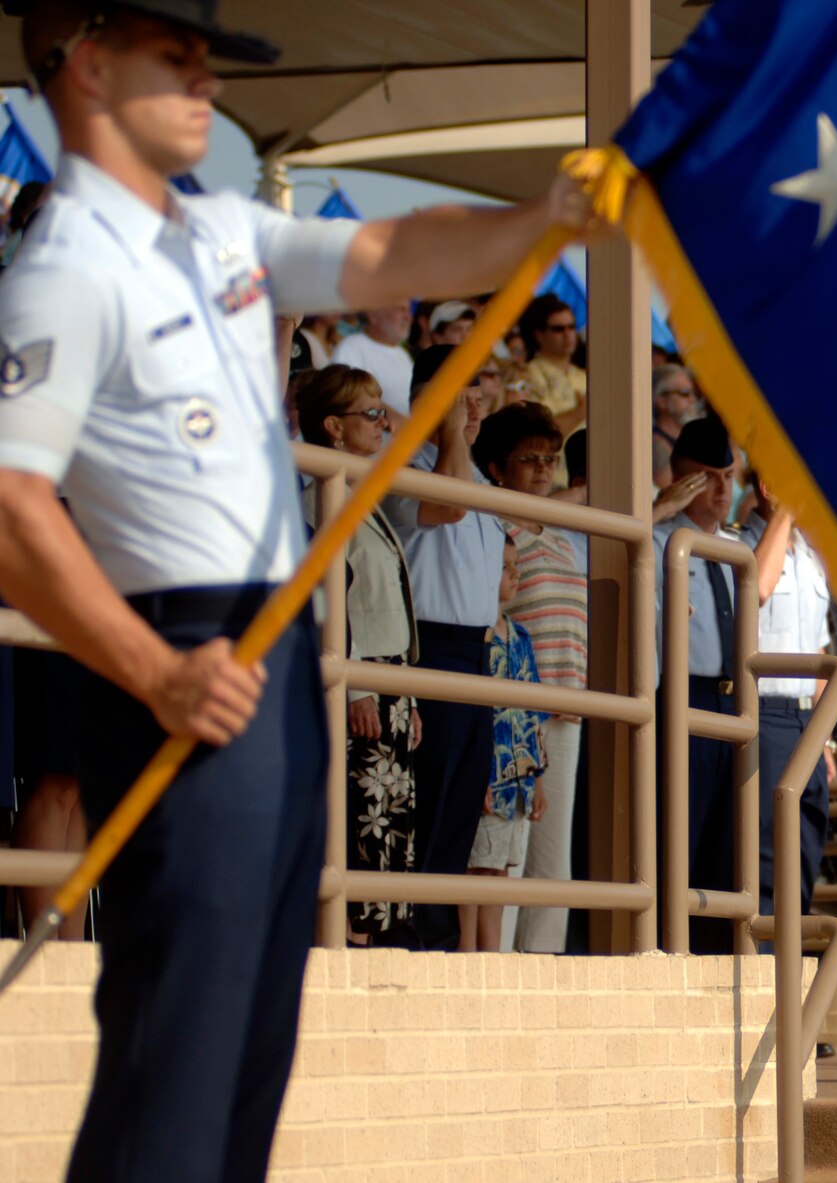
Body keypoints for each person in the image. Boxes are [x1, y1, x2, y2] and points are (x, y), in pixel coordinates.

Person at [0, 2, 590, 1177]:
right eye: (178, 60)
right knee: (180, 1046)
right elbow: (12, 507)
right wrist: (154, 668)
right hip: (180, 648)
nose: (206, 87)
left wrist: (545, 216)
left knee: (255, 1042)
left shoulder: (217, 230)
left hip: (274, 650)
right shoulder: (63, 267)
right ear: (89, 65)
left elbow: (384, 256)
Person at [383, 345, 509, 951]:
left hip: (476, 655)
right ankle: (407, 940)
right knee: (425, 806)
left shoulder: (476, 471)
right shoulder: (403, 459)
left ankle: (432, 941)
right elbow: (447, 504)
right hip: (427, 649)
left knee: (459, 811)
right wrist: (451, 431)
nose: (474, 403)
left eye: (479, 389)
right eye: (461, 390)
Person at [297, 364, 423, 946]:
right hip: (361, 683)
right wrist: (357, 686)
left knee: (390, 824)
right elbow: (332, 599)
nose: (382, 424)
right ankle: (347, 945)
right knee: (360, 822)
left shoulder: (358, 493)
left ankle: (372, 949)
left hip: (391, 684)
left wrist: (410, 694)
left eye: (382, 412)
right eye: (370, 415)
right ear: (333, 427)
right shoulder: (320, 495)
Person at [472, 401, 586, 952]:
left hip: (566, 706)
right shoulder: (495, 528)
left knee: (551, 852)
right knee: (508, 847)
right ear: (497, 468)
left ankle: (544, 965)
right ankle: (502, 972)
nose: (543, 468)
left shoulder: (564, 535)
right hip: (515, 709)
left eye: (550, 458)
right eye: (529, 459)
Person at [735, 473, 835, 928]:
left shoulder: (809, 558)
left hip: (805, 720)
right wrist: (785, 511)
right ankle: (765, 977)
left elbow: (818, 649)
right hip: (765, 714)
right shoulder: (739, 546)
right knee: (768, 858)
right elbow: (756, 589)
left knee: (805, 851)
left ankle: (789, 978)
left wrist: (825, 736)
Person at [654, 416, 738, 952]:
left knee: (724, 845)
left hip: (730, 703)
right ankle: (669, 948)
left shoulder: (732, 551)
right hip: (679, 695)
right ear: (680, 478)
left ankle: (710, 958)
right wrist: (658, 507)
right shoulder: (659, 539)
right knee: (676, 835)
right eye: (708, 477)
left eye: (729, 476)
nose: (722, 490)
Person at [462, 536, 546, 952]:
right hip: (489, 775)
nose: (515, 574)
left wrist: (539, 781)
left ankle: (490, 956)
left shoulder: (521, 638)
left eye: (516, 566)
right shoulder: (476, 638)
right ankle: (466, 952)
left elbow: (534, 714)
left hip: (519, 780)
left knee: (499, 870)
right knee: (476, 866)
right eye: (504, 566)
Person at [518, 292, 587, 483]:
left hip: (588, 480)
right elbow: (539, 435)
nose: (568, 334)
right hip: (551, 480)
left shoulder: (583, 376)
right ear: (539, 334)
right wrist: (581, 411)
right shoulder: (527, 375)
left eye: (572, 327)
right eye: (558, 329)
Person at [330, 303, 414, 416]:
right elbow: (344, 398)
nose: (408, 316)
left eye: (408, 310)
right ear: (373, 314)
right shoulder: (350, 348)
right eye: (400, 309)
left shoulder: (403, 354)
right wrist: (394, 419)